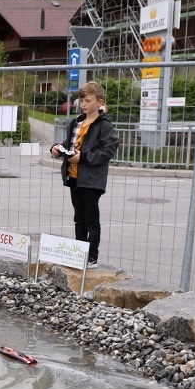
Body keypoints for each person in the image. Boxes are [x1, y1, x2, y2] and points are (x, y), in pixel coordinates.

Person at [49, 81, 119, 269]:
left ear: (99, 101)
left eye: (88, 100)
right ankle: (79, 254)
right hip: (73, 177)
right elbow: (70, 144)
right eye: (81, 101)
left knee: (91, 219)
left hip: (91, 180)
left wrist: (84, 157)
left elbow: (109, 150)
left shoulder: (104, 125)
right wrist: (57, 148)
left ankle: (92, 257)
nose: (83, 104)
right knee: (78, 217)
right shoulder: (76, 122)